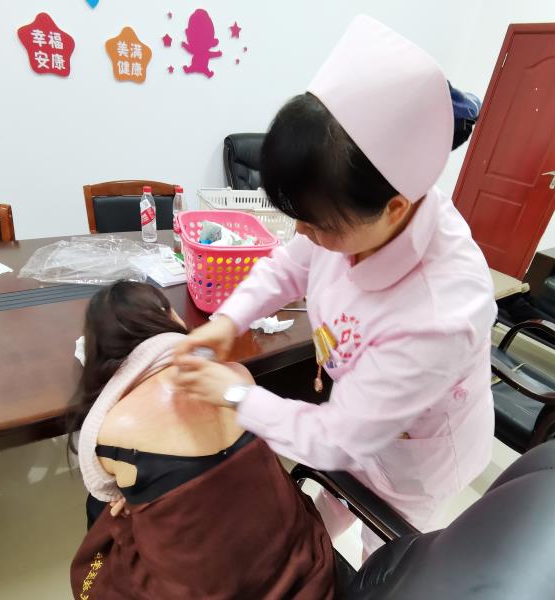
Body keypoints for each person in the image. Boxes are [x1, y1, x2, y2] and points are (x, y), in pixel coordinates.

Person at [174, 15, 497, 558]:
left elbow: (339, 437)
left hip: (416, 459)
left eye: (318, 224)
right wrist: (230, 320)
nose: (302, 234)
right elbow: (289, 265)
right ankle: (307, 557)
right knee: (326, 511)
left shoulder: (440, 312)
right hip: (357, 416)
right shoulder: (358, 208)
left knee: (384, 557)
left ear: (395, 208)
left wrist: (234, 395)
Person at [67, 281, 336, 599]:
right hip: (304, 573)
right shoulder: (236, 375)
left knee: (97, 545)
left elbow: (106, 490)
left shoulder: (112, 427)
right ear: (168, 317)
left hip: (204, 588)